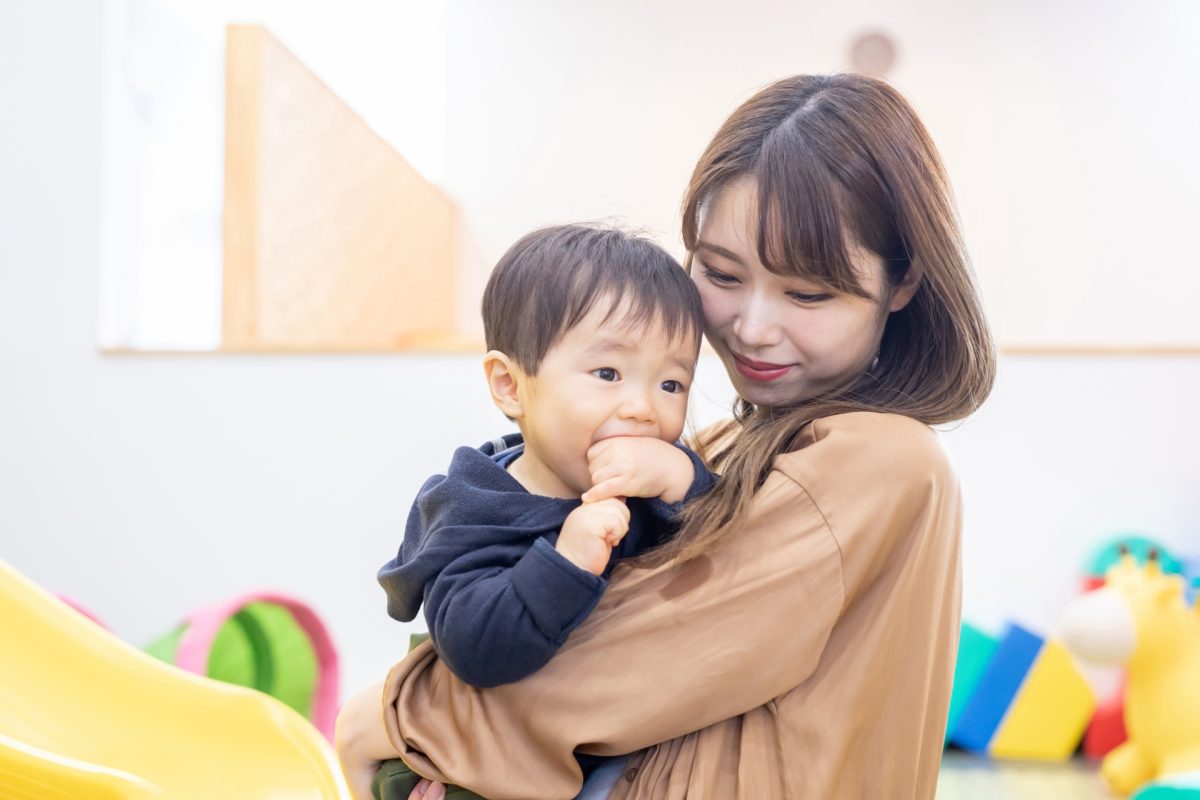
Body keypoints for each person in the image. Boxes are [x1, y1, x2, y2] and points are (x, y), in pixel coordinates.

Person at [335, 72, 997, 800]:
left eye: (807, 293)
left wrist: (396, 716)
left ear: (902, 284)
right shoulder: (712, 448)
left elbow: (620, 663)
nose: (752, 328)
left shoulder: (882, 461)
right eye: (721, 274)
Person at [344, 224, 718, 799]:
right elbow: (474, 651)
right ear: (510, 385)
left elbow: (729, 543)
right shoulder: (474, 507)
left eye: (672, 383)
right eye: (608, 374)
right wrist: (566, 560)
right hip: (470, 762)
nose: (643, 408)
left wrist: (685, 480)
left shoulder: (654, 483)